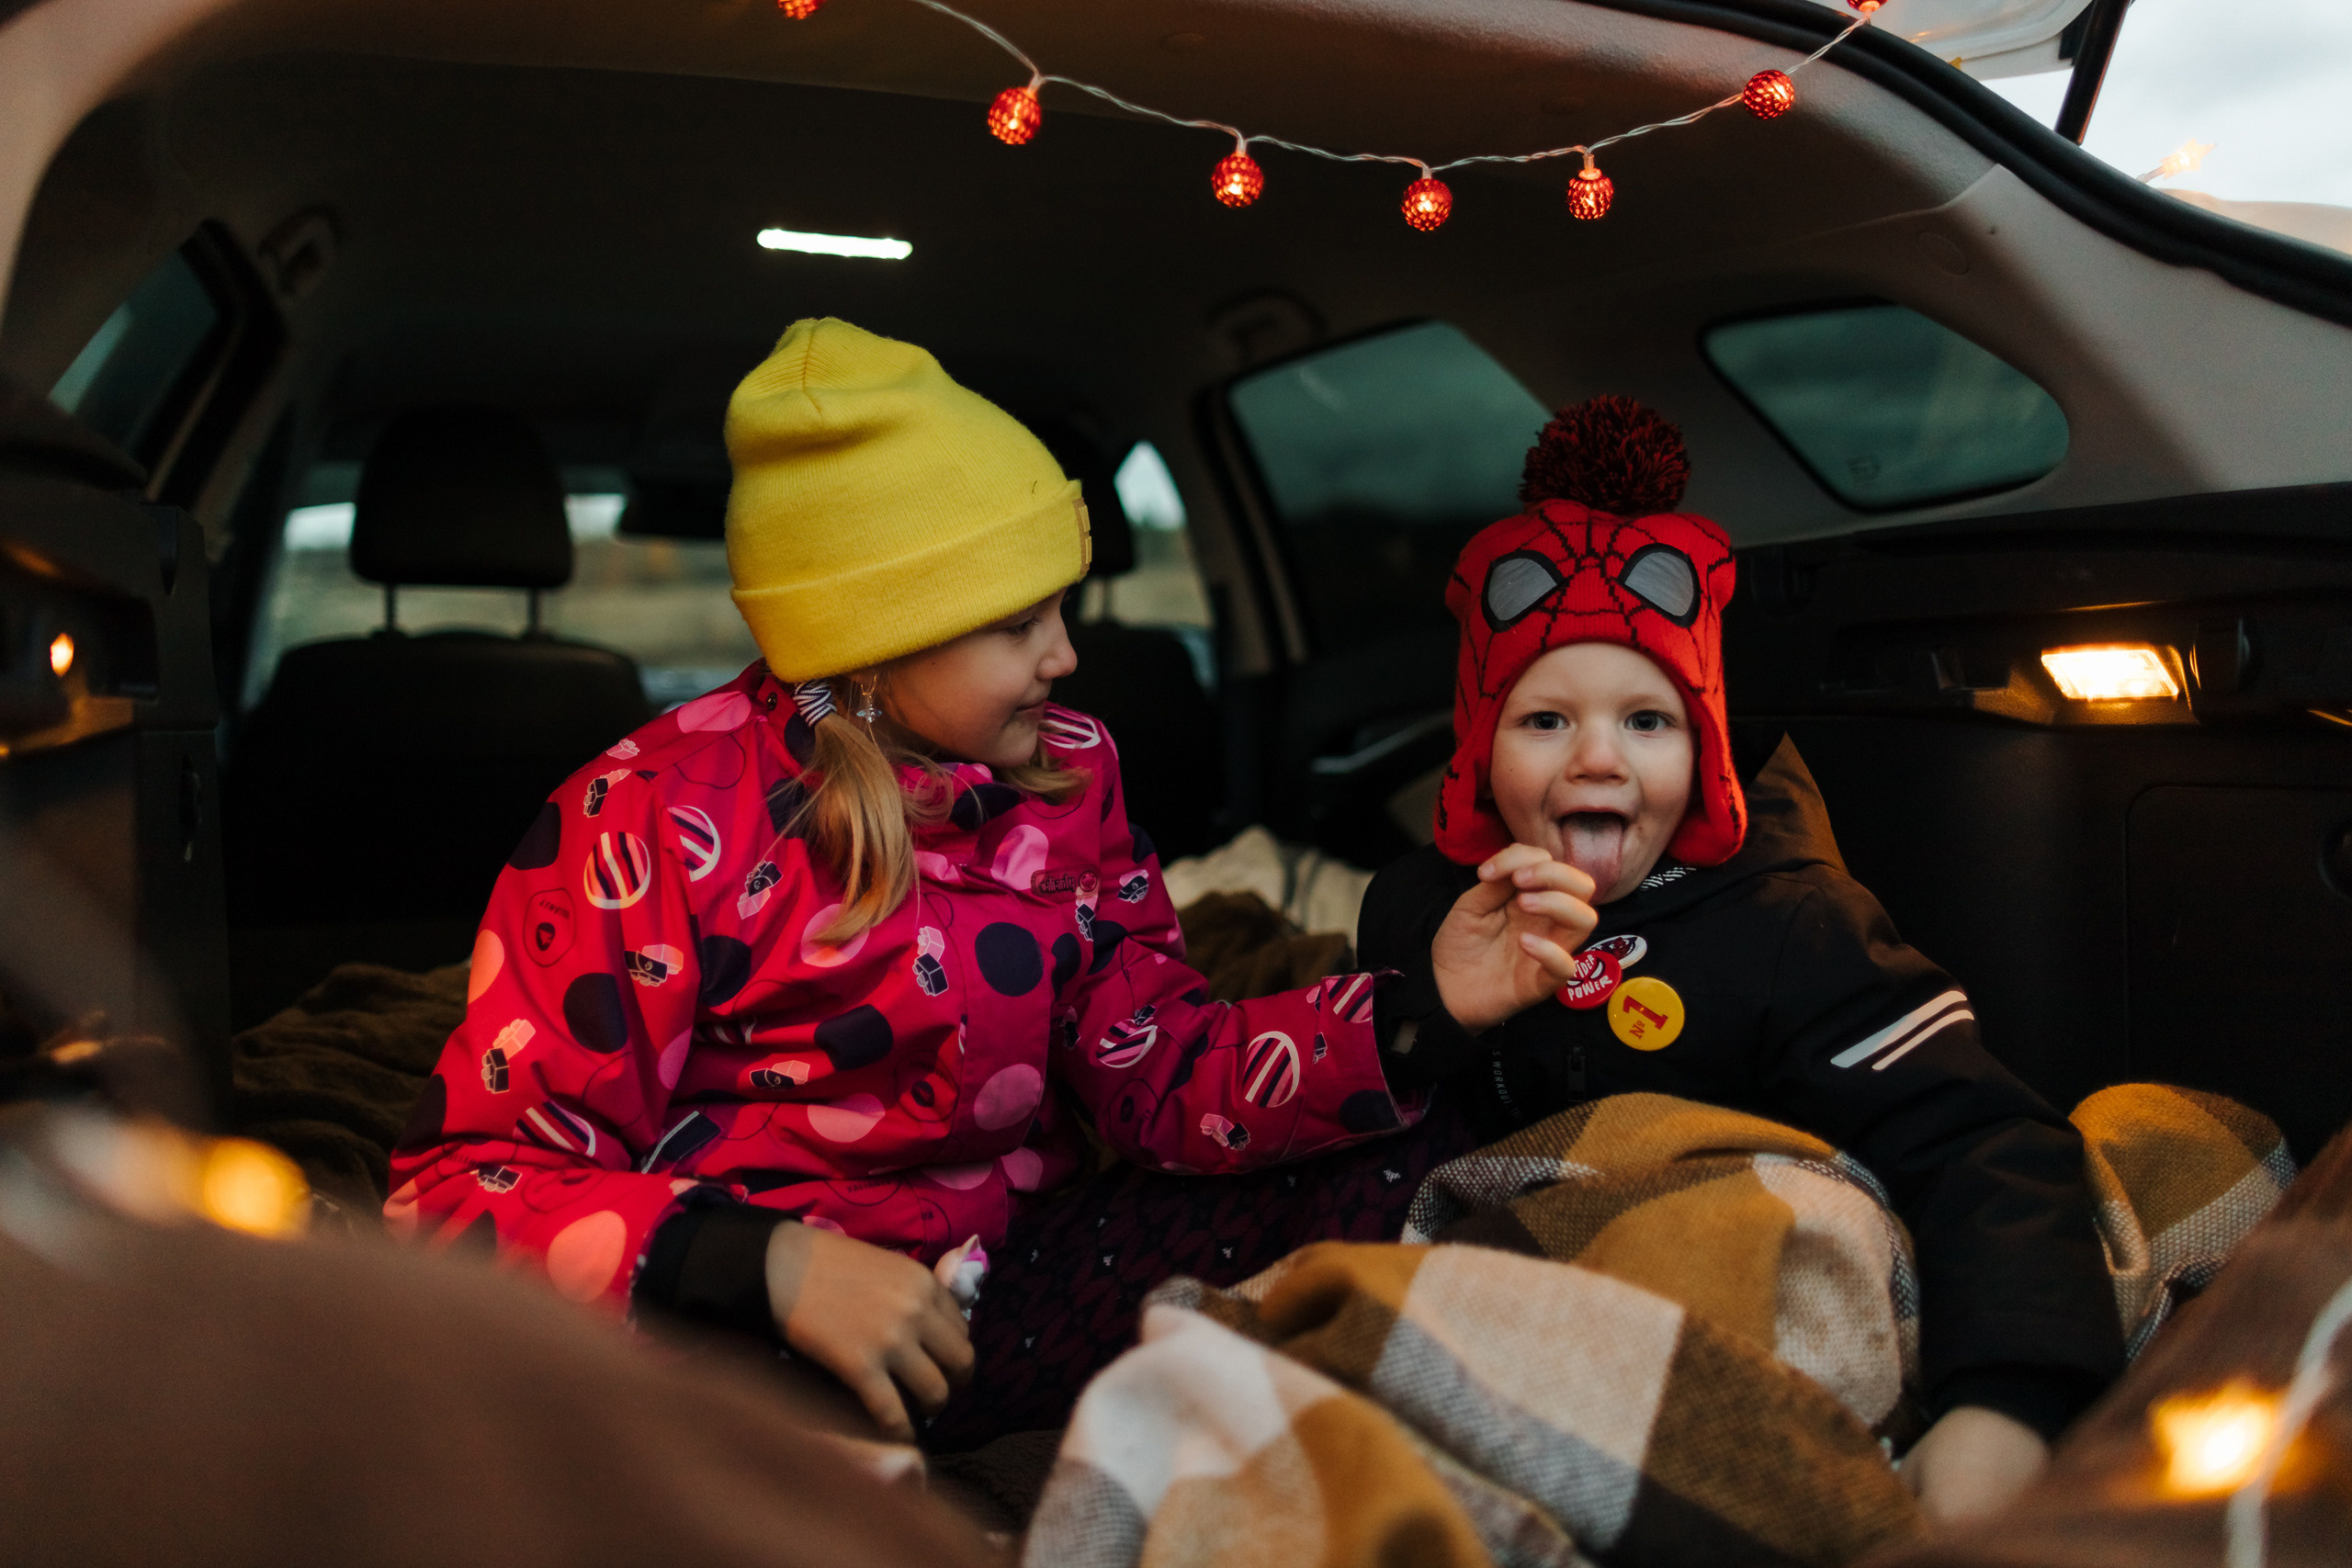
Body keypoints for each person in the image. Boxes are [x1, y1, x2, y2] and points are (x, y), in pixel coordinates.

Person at [387, 318, 1586, 1441]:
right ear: (871, 637)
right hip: (736, 1338)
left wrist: (1413, 1009)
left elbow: (1158, 1073)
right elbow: (461, 1190)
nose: (1065, 654)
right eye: (1020, 624)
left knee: (1414, 1153)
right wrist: (765, 1266)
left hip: (999, 1287)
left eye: (1061, 608)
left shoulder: (1071, 768)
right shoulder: (645, 812)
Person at [1358, 396, 2125, 1527]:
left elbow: (1980, 1143)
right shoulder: (1423, 908)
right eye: (1545, 722)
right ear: (1478, 750)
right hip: (1505, 1286)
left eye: (1648, 722)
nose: (1598, 761)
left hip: (1717, 1273)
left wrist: (2004, 1404)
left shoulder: (1790, 923)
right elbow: (1380, 1069)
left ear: (1705, 748)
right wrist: (1433, 1003)